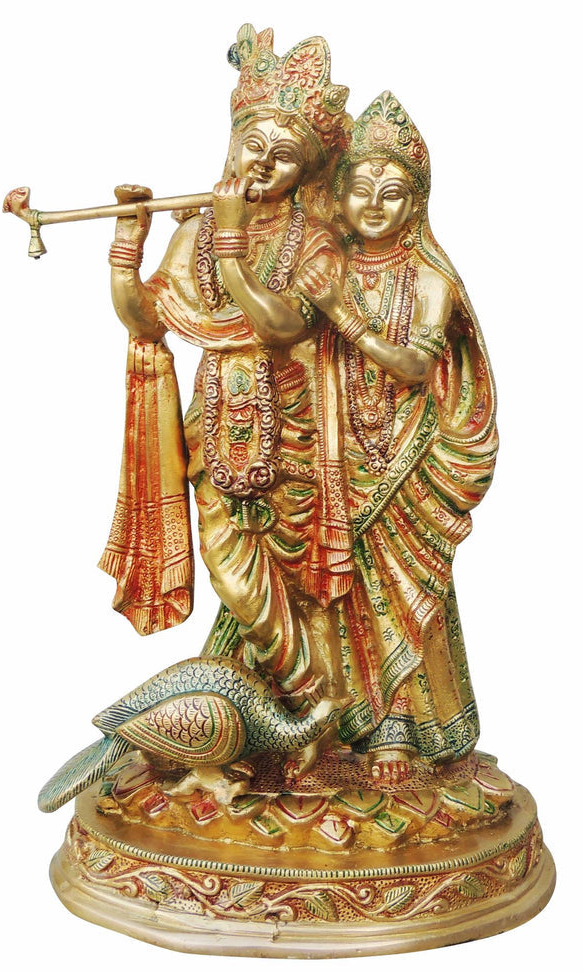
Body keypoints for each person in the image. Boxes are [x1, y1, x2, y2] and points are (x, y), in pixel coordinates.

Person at [101, 25, 354, 724]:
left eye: (283, 155)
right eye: (253, 145)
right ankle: (304, 699)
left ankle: (318, 711)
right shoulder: (196, 233)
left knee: (302, 584)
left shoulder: (316, 240)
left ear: (304, 173)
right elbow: (146, 319)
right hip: (215, 432)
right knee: (232, 571)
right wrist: (127, 247)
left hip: (297, 438)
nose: (263, 164)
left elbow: (280, 324)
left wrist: (236, 247)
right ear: (232, 144)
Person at [299, 91, 498, 783]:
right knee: (337, 586)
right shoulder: (328, 261)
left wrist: (343, 315)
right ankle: (322, 718)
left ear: (415, 204)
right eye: (361, 191)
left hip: (409, 457)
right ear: (340, 195)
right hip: (336, 451)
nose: (375, 207)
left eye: (392, 195)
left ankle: (401, 728)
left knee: (406, 590)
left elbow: (414, 365)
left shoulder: (431, 279)